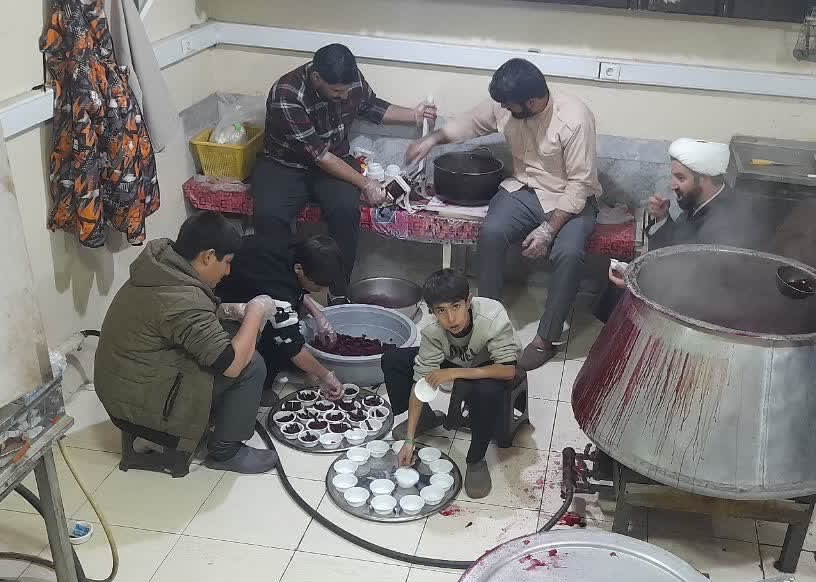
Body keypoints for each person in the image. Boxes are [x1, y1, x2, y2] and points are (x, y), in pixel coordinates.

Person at [407, 58, 600, 371]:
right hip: (523, 189)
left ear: (532, 101)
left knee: (569, 253)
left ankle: (546, 339)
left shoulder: (575, 119)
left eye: (510, 105)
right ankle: (487, 325)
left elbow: (580, 184)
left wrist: (548, 230)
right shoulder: (508, 104)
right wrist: (432, 139)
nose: (504, 110)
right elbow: (471, 122)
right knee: (492, 233)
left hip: (569, 198)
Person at [95, 212, 280, 474]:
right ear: (208, 256)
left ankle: (228, 411)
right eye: (227, 262)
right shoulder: (182, 298)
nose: (228, 271)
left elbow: (179, 319)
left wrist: (228, 311)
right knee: (251, 365)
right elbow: (232, 365)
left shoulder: (162, 267)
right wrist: (255, 311)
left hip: (127, 383)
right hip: (138, 400)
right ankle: (225, 451)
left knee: (233, 333)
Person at [253, 43, 437, 303]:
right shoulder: (287, 93)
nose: (344, 95)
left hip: (335, 159)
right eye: (337, 91)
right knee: (270, 216)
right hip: (285, 164)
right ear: (316, 78)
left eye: (347, 90)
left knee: (345, 210)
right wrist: (366, 184)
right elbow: (320, 156)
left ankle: (339, 293)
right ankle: (283, 295)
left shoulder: (350, 81)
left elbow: (371, 106)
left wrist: (415, 115)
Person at [599, 138, 816, 320]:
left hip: (715, 307)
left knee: (620, 297)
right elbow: (679, 248)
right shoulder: (705, 201)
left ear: (704, 179)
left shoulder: (727, 220)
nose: (673, 185)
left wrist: (637, 286)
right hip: (698, 287)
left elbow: (697, 284)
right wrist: (663, 218)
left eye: (681, 178)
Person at [381, 270, 521, 499]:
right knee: (393, 360)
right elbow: (420, 382)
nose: (451, 318)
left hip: (491, 363)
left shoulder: (492, 315)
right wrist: (409, 441)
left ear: (468, 301)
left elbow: (508, 371)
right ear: (432, 311)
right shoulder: (433, 330)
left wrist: (455, 373)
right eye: (441, 311)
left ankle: (476, 459)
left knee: (485, 392)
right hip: (455, 360)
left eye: (456, 306)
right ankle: (426, 418)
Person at [217, 232, 345, 400]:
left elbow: (295, 291)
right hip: (224, 297)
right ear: (299, 269)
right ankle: (262, 387)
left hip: (248, 272)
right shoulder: (279, 289)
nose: (322, 290)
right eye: (318, 285)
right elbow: (292, 345)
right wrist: (325, 375)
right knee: (276, 337)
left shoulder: (297, 248)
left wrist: (318, 315)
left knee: (286, 319)